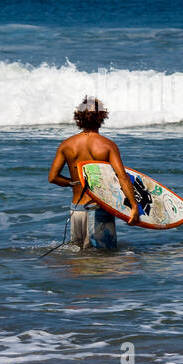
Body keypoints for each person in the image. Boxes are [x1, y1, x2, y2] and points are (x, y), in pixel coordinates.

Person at [48, 96, 140, 250]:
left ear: (79, 118)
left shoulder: (66, 145)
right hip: (99, 209)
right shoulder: (107, 145)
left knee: (78, 260)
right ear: (102, 117)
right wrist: (134, 206)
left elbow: (53, 178)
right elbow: (122, 177)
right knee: (103, 260)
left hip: (76, 209)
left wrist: (73, 183)